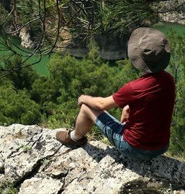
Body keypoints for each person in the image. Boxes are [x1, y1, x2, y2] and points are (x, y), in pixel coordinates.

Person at [55, 27, 175, 160]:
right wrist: (128, 107)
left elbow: (101, 104)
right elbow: (153, 103)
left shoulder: (134, 88)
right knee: (126, 108)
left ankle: (74, 138)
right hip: (161, 146)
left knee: (86, 108)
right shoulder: (168, 80)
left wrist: (84, 98)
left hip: (135, 149)